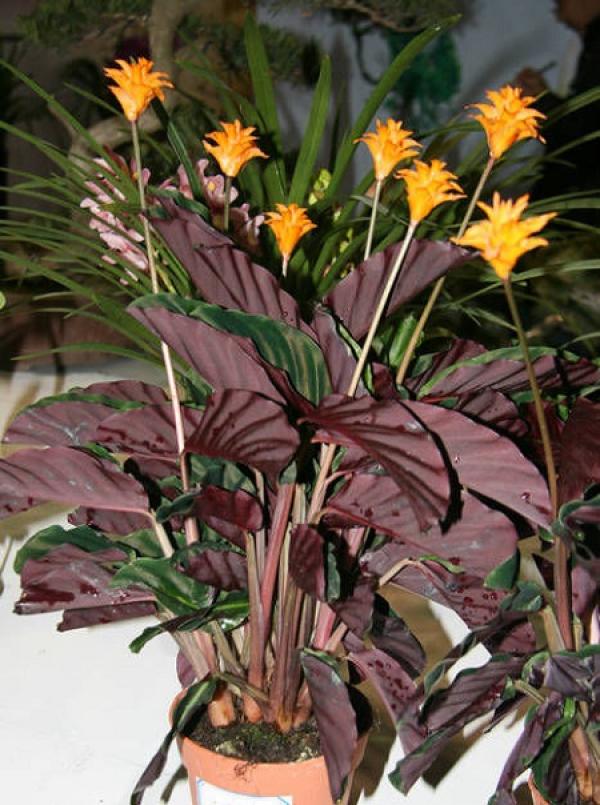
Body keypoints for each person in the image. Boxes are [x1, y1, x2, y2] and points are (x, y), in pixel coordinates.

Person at [516, 0, 600, 220]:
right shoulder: (588, 43)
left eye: (559, 4)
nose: (559, 17)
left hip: (579, 209)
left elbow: (586, 138)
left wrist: (543, 101)